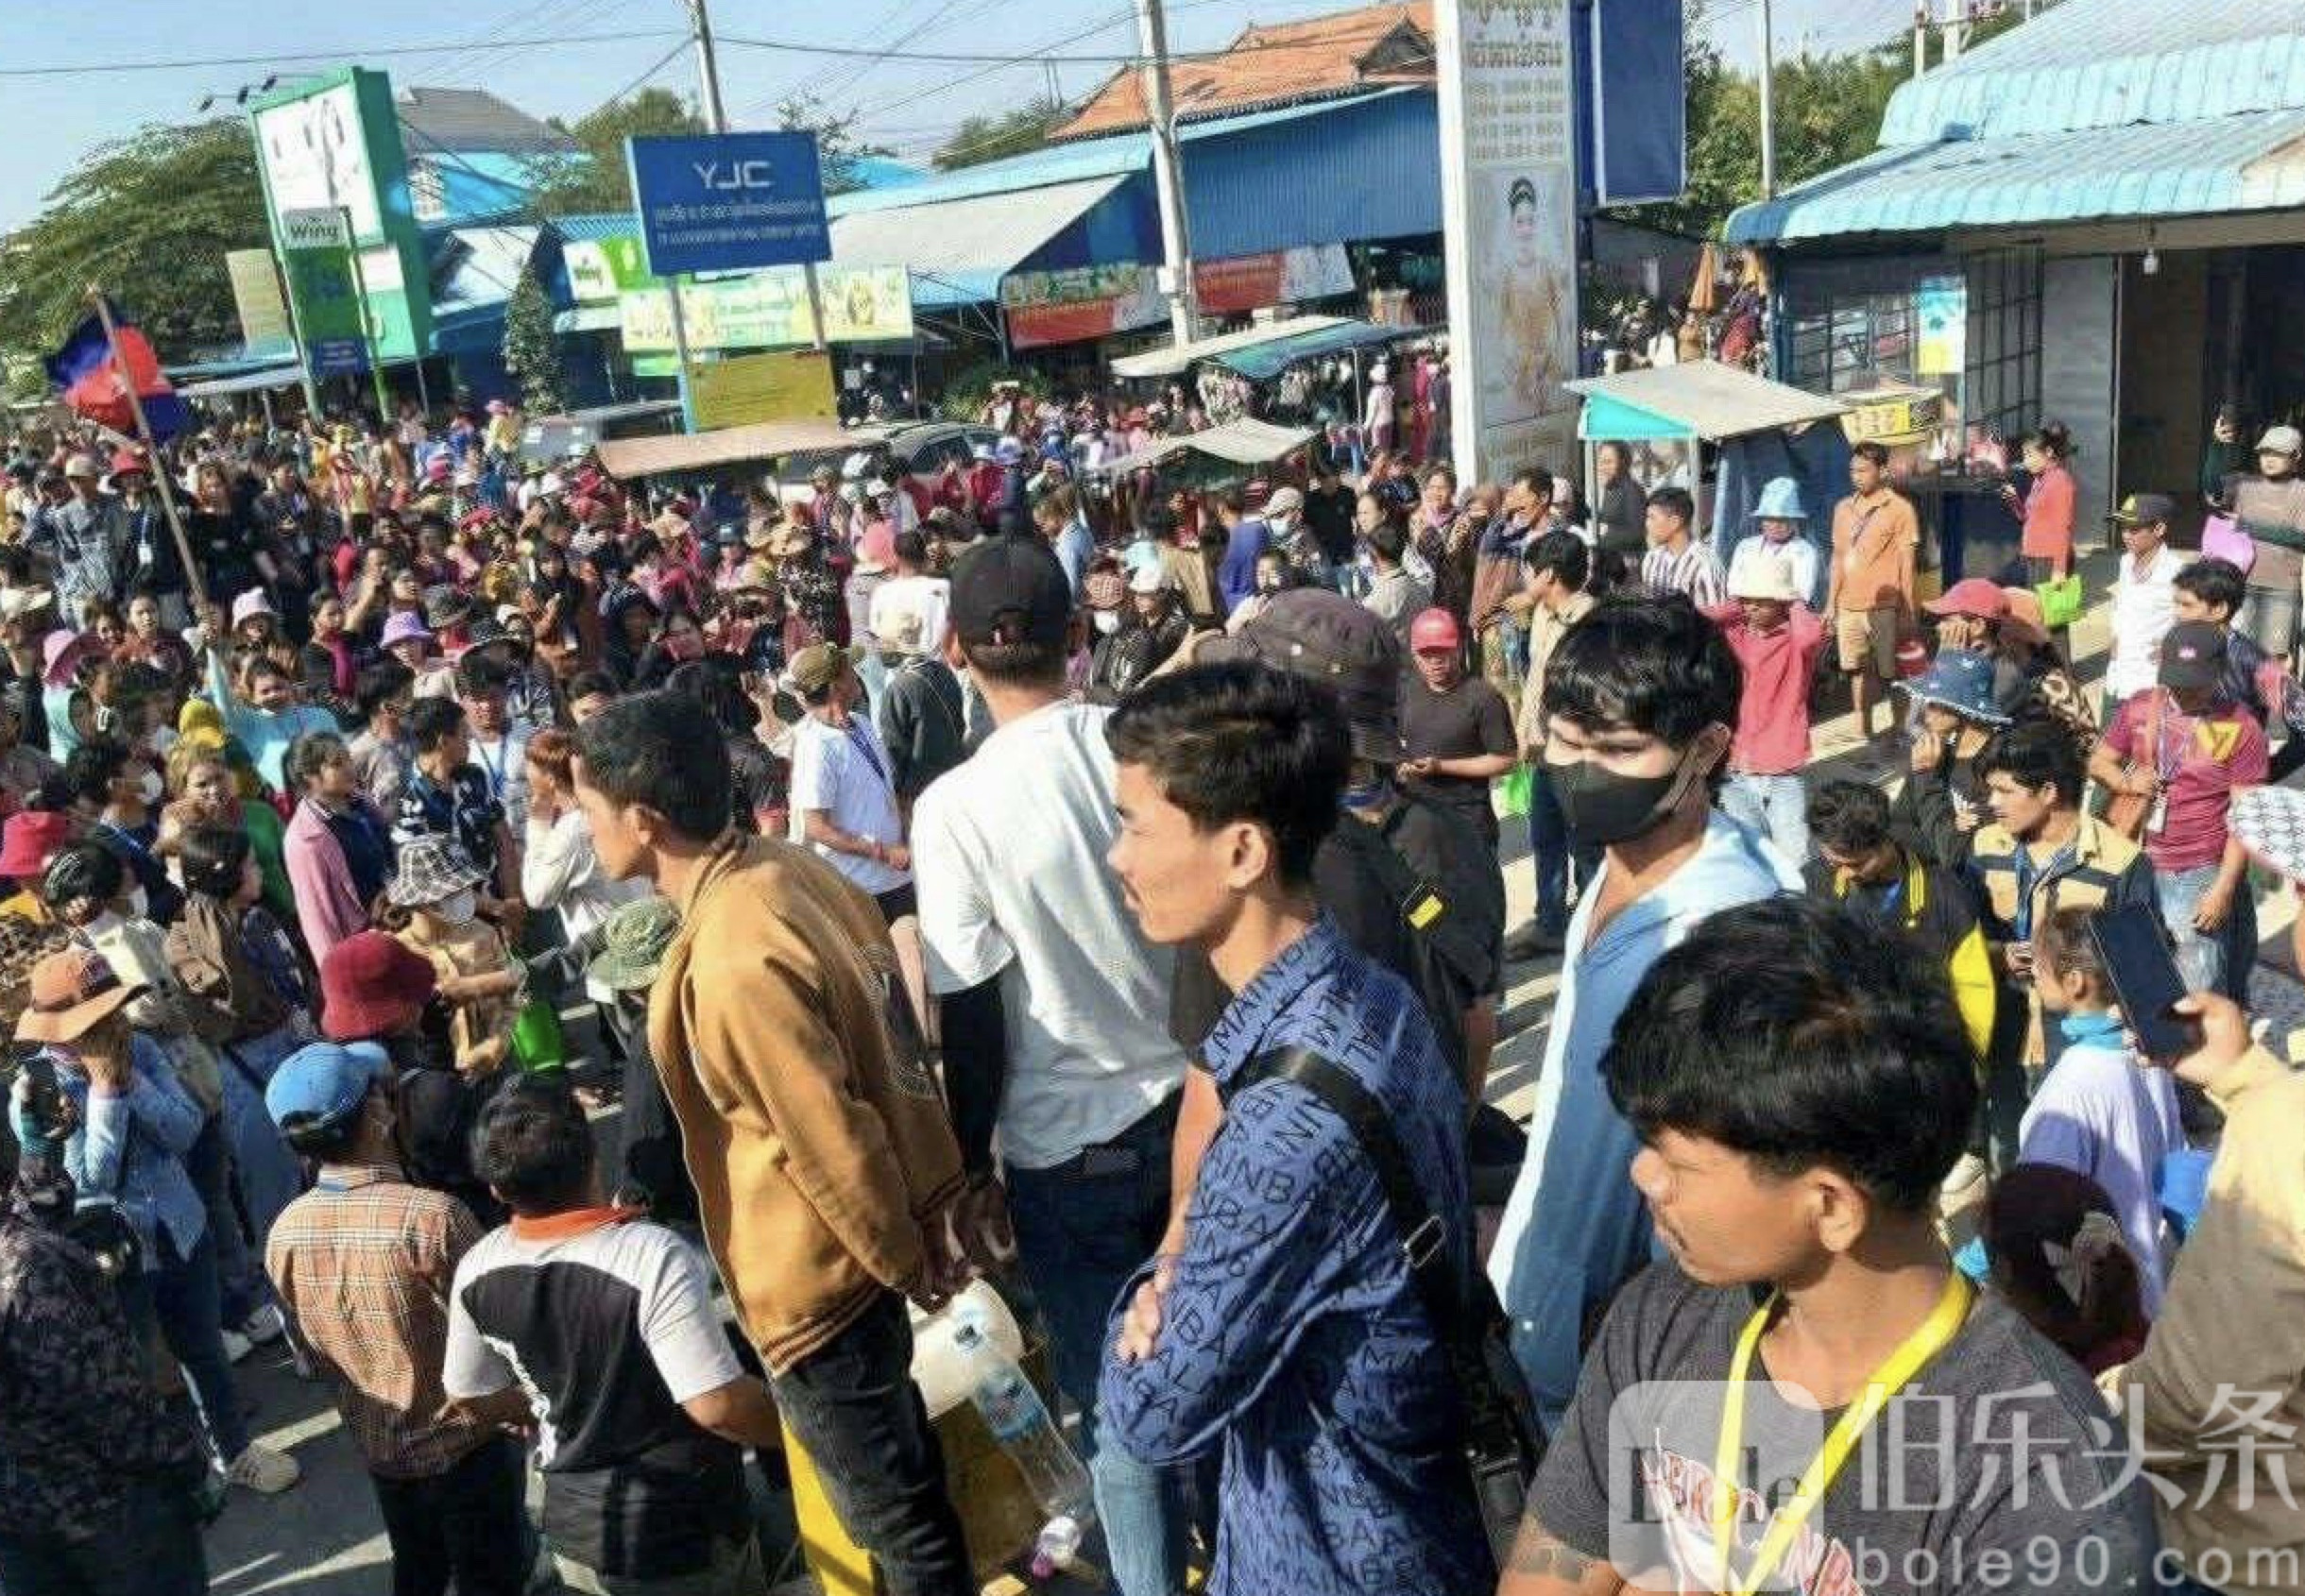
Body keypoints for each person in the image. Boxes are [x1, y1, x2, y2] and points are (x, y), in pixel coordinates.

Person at [1496, 897, 2155, 1596]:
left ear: (1832, 1207)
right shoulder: (1662, 1319)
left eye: (1677, 1161)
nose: (1644, 1176)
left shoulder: (2043, 1485)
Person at [1098, 662, 1490, 1596]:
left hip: (1330, 1557)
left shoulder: (1283, 1128)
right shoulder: (1373, 996)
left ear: (1241, 852)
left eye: (1135, 826)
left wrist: (1152, 1292)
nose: (1116, 858)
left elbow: (1151, 1414)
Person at [572, 691, 975, 1596]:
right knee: (908, 1489)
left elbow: (830, 1138)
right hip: (867, 1251)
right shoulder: (785, 870)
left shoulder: (732, 953)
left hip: (824, 1280)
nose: (584, 829)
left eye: (590, 809)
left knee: (900, 1526)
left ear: (643, 820)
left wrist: (904, 1259)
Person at [909, 536, 1200, 1596]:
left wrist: (966, 1165)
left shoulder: (953, 808)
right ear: (1074, 633)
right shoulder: (1137, 745)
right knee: (1210, 1355)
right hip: (1196, 1107)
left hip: (1067, 1153)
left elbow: (972, 1012)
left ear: (955, 649)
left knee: (1114, 1400)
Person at [1488, 595, 1798, 1426]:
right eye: (1566, 741)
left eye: (1621, 750)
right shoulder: (1621, 861)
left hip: (1614, 1373)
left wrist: (1631, 1336)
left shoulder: (1723, 935)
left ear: (1707, 749)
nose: (1583, 771)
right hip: (1540, 1316)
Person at [446, 1079, 779, 1595]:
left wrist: (540, 1403)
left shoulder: (477, 1268)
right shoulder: (651, 1255)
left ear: (496, 1189)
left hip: (576, 1529)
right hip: (681, 1527)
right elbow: (716, 1405)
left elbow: (467, 1394)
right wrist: (798, 1430)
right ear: (591, 1153)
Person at [21, 945, 301, 1493]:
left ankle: (233, 1451)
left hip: (179, 1224)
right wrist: (105, 1094)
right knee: (134, 1370)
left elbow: (184, 1130)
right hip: (109, 1252)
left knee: (204, 1349)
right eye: (96, 1018)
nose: (111, 1025)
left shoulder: (142, 1050)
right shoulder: (40, 1089)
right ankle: (171, 1476)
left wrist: (131, 1085)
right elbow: (91, 1180)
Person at [263, 1040, 530, 1596]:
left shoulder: (284, 1231)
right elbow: (504, 1331)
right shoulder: (432, 1217)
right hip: (469, 1444)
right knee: (494, 1572)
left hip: (380, 1447)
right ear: (376, 1115)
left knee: (418, 1567)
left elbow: (311, 1351)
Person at [2105, 989, 2305, 1596]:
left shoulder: (2287, 1139)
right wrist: (2248, 1078)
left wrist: (2101, 1406)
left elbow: (2202, 1396)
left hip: (2258, 1557)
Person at [0, 1094, 212, 1596]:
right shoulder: (29, 1269)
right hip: (104, 1517)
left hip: (21, 1528)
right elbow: (105, 1401)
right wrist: (184, 1464)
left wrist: (38, 1159)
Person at [1966, 721, 2156, 1162]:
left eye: (2004, 791)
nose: (1992, 803)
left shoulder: (2121, 863)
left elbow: (2141, 967)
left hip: (2077, 1037)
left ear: (2049, 792)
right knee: (2007, 1146)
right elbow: (1964, 933)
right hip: (2004, 1025)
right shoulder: (1986, 847)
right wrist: (1997, 954)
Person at [2091, 620, 2266, 995]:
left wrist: (2223, 888)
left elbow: (2245, 818)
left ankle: (2206, 1028)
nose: (2184, 693)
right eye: (2176, 681)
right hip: (2138, 857)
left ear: (2219, 672)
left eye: (2195, 684)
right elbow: (2099, 760)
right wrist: (2125, 781)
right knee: (2139, 962)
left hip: (2199, 863)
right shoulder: (2139, 708)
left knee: (2198, 978)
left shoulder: (2241, 726)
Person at [2022, 905, 2184, 1310]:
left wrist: (1975, 1261)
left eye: (2038, 965)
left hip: (2104, 1300)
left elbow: (2037, 1207)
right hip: (2156, 1281)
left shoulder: (2071, 1088)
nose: (2032, 973)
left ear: (2074, 982)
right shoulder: (2151, 1054)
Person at [1804, 778, 1995, 1059]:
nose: (1843, 874)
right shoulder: (1813, 881)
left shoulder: (1945, 895)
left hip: (1924, 1051)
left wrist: (1970, 1063)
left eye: (1855, 865)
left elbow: (1974, 990)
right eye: (1833, 863)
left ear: (1884, 842)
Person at [1506, 530, 1599, 961]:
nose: (1524, 578)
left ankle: (1592, 925)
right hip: (1544, 749)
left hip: (1578, 754)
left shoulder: (1589, 621)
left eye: (1529, 570)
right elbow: (1534, 682)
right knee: (1545, 839)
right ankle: (1550, 924)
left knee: (1585, 844)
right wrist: (1525, 734)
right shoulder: (1544, 614)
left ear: (1548, 574)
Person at [1705, 551, 1826, 868]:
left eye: (1761, 601)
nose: (1751, 608)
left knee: (1795, 857)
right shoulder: (1736, 635)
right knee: (1752, 855)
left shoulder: (1796, 641)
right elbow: (1700, 618)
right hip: (1737, 765)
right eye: (1747, 601)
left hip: (1782, 767)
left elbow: (1811, 634)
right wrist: (1737, 603)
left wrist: (1794, 601)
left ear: (1781, 602)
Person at [784, 641, 913, 924]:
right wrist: (882, 852)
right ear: (835, 687)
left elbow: (883, 788)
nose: (856, 674)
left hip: (897, 876)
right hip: (861, 889)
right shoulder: (816, 746)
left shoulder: (860, 722)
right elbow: (816, 827)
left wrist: (905, 832)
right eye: (849, 671)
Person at [2171, 554, 2305, 783]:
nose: (2177, 613)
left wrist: (2266, 773)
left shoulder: (2255, 663)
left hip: (2228, 792)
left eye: (2187, 605)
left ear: (2219, 609)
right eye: (2176, 603)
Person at [1825, 439, 1920, 752]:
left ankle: (1901, 728)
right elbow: (1838, 558)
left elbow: (1907, 564)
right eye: (1853, 470)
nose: (1856, 476)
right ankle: (1862, 729)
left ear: (1883, 471)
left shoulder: (1901, 509)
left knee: (1892, 672)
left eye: (1863, 470)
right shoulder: (1842, 509)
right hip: (1848, 605)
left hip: (1885, 606)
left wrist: (1908, 610)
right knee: (1856, 670)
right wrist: (1830, 604)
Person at [1398, 606, 1517, 849]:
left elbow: (1505, 760)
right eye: (1426, 654)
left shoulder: (1483, 697)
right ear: (1414, 654)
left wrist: (1441, 766)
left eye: (1442, 651)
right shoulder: (1408, 691)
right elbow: (1400, 737)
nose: (1435, 661)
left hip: (1469, 819)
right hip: (1420, 818)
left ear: (1459, 648)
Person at [521, 727, 646, 943]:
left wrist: (537, 825)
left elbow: (537, 896)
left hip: (611, 944)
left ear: (550, 779)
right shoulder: (608, 801)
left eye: (530, 766)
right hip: (641, 924)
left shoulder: (573, 830)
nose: (525, 773)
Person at [395, 697, 519, 916]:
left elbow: (503, 840)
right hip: (455, 920)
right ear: (443, 741)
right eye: (464, 734)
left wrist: (512, 901)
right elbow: (426, 881)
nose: (470, 740)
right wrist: (495, 908)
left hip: (500, 900)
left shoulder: (475, 776)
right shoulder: (408, 802)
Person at [282, 729, 396, 968]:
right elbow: (317, 917)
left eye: (347, 759)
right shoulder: (304, 839)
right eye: (337, 764)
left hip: (398, 920)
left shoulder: (361, 803)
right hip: (364, 944)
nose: (349, 768)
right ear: (310, 777)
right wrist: (337, 972)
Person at [1892, 646, 2008, 869]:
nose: (1925, 713)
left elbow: (1951, 852)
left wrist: (1925, 776)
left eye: (1935, 704)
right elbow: (1900, 820)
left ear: (1962, 709)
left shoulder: (1998, 763)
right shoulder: (1938, 751)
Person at [2103, 492, 2189, 712]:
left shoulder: (2176, 572)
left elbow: (2197, 623)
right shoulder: (2125, 562)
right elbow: (2122, 605)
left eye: (2134, 529)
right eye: (2123, 528)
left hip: (2149, 682)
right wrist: (2115, 635)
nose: (2125, 535)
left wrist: (2176, 650)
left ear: (2159, 529)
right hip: (2117, 674)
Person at [2229, 420, 2305, 667]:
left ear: (2296, 457)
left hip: (2281, 589)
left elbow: (2300, 536)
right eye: (2264, 452)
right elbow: (2211, 484)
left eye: (2278, 453)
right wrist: (2219, 446)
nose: (2269, 459)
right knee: (2238, 655)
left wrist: (2249, 527)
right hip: (2242, 584)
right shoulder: (2245, 486)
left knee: (2275, 660)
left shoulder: (2301, 492)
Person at [1085, 565, 1194, 706]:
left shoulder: (1177, 629)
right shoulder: (1130, 619)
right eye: (1136, 593)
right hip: (1123, 690)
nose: (1138, 599)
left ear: (1162, 594)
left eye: (1144, 594)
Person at [1725, 473, 1819, 604]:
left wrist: (1770, 604)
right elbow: (1734, 585)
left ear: (1794, 521)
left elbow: (1803, 592)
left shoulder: (1805, 551)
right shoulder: (1745, 546)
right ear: (1762, 520)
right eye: (1769, 519)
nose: (1775, 525)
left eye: (1782, 520)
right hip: (1746, 606)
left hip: (1785, 610)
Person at [2006, 419, 2078, 585]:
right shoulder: (2039, 480)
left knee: (2045, 601)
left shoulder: (2060, 481)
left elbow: (2063, 527)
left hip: (2049, 559)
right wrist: (2014, 500)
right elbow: (2027, 517)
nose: (2026, 462)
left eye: (2030, 455)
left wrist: (2059, 568)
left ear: (2048, 452)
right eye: (2024, 456)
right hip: (2034, 555)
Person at [348, 659, 418, 816]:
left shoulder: (417, 736)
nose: (413, 701)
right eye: (405, 696)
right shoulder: (358, 752)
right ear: (386, 707)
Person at [1636, 486, 1723, 607]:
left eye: (1652, 517)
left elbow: (1715, 614)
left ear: (1675, 522)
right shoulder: (1652, 559)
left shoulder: (1704, 564)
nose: (1647, 524)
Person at [1357, 500, 1429, 646]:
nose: (1362, 518)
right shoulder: (1420, 589)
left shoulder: (1374, 603)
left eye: (1366, 512)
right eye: (1360, 513)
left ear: (1375, 556)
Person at [1214, 487, 1270, 618]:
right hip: (1257, 606)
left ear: (1221, 508)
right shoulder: (1259, 530)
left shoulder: (1216, 539)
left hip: (1228, 611)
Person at [1589, 438, 1647, 560]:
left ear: (1624, 463)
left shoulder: (1631, 490)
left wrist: (1605, 533)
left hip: (1626, 560)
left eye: (1609, 462)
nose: (1603, 467)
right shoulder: (1612, 488)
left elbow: (1636, 533)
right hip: (1611, 558)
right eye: (1601, 462)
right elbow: (1613, 519)